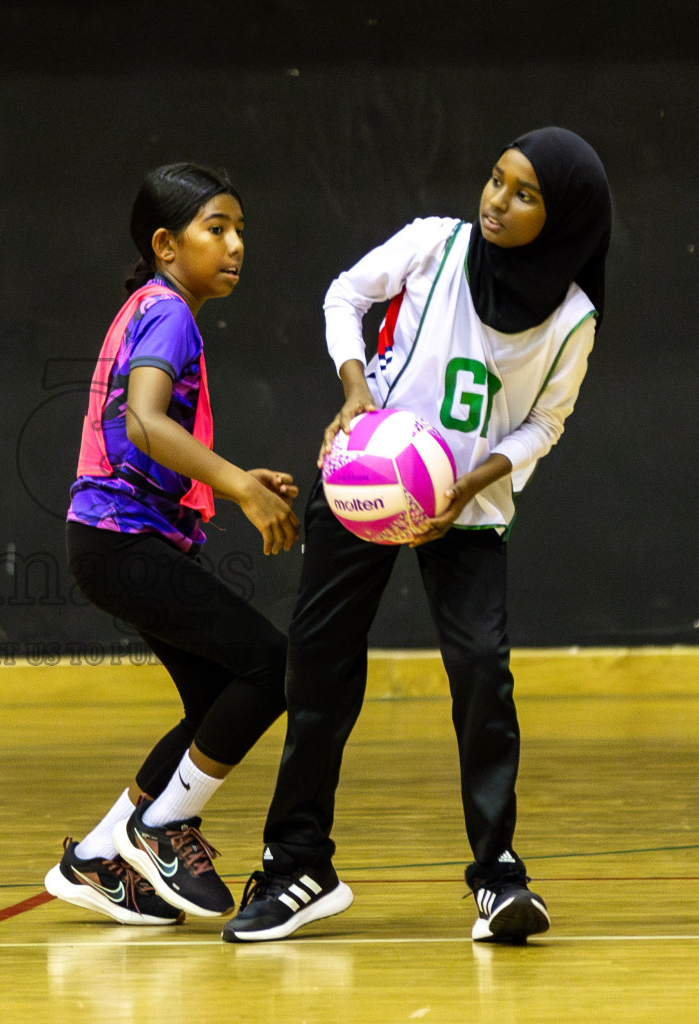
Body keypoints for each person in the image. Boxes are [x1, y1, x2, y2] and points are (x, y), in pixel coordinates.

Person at [222, 127, 612, 944]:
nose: (497, 201)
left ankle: (498, 876)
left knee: (481, 671)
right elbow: (343, 296)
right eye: (497, 179)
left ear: (565, 216)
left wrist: (479, 477)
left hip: (463, 506)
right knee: (318, 665)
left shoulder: (572, 318)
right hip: (367, 477)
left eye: (526, 194)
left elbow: (548, 420)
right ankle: (298, 863)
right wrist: (356, 388)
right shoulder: (435, 245)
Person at [43, 163, 301, 925]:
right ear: (165, 243)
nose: (235, 245)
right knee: (268, 666)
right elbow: (144, 422)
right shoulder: (170, 315)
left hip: (113, 541)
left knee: (216, 702)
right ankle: (160, 828)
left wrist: (220, 478)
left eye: (240, 230)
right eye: (215, 228)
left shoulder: (149, 307)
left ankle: (95, 856)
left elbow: (153, 436)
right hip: (121, 542)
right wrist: (239, 488)